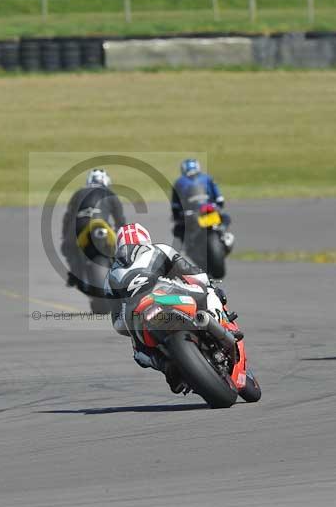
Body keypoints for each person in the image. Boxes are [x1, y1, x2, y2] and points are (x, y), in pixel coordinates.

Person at [106, 222, 217, 393]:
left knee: (139, 354)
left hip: (136, 315)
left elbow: (118, 324)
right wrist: (207, 284)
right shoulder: (160, 249)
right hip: (166, 294)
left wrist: (131, 325)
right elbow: (192, 273)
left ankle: (166, 366)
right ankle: (213, 321)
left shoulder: (110, 276)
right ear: (146, 239)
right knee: (207, 291)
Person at [61, 169, 126, 289]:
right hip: (102, 227)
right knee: (121, 248)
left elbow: (68, 217)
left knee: (67, 247)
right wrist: (121, 236)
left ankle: (74, 275)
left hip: (81, 226)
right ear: (106, 181)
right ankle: (121, 271)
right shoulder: (110, 193)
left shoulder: (79, 192)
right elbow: (120, 220)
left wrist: (65, 236)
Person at [170, 159, 230, 246]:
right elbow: (219, 198)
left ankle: (187, 245)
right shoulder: (207, 178)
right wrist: (218, 205)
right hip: (206, 209)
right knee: (225, 217)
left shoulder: (179, 182)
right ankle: (223, 232)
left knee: (178, 228)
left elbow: (175, 205)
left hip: (192, 212)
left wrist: (177, 215)